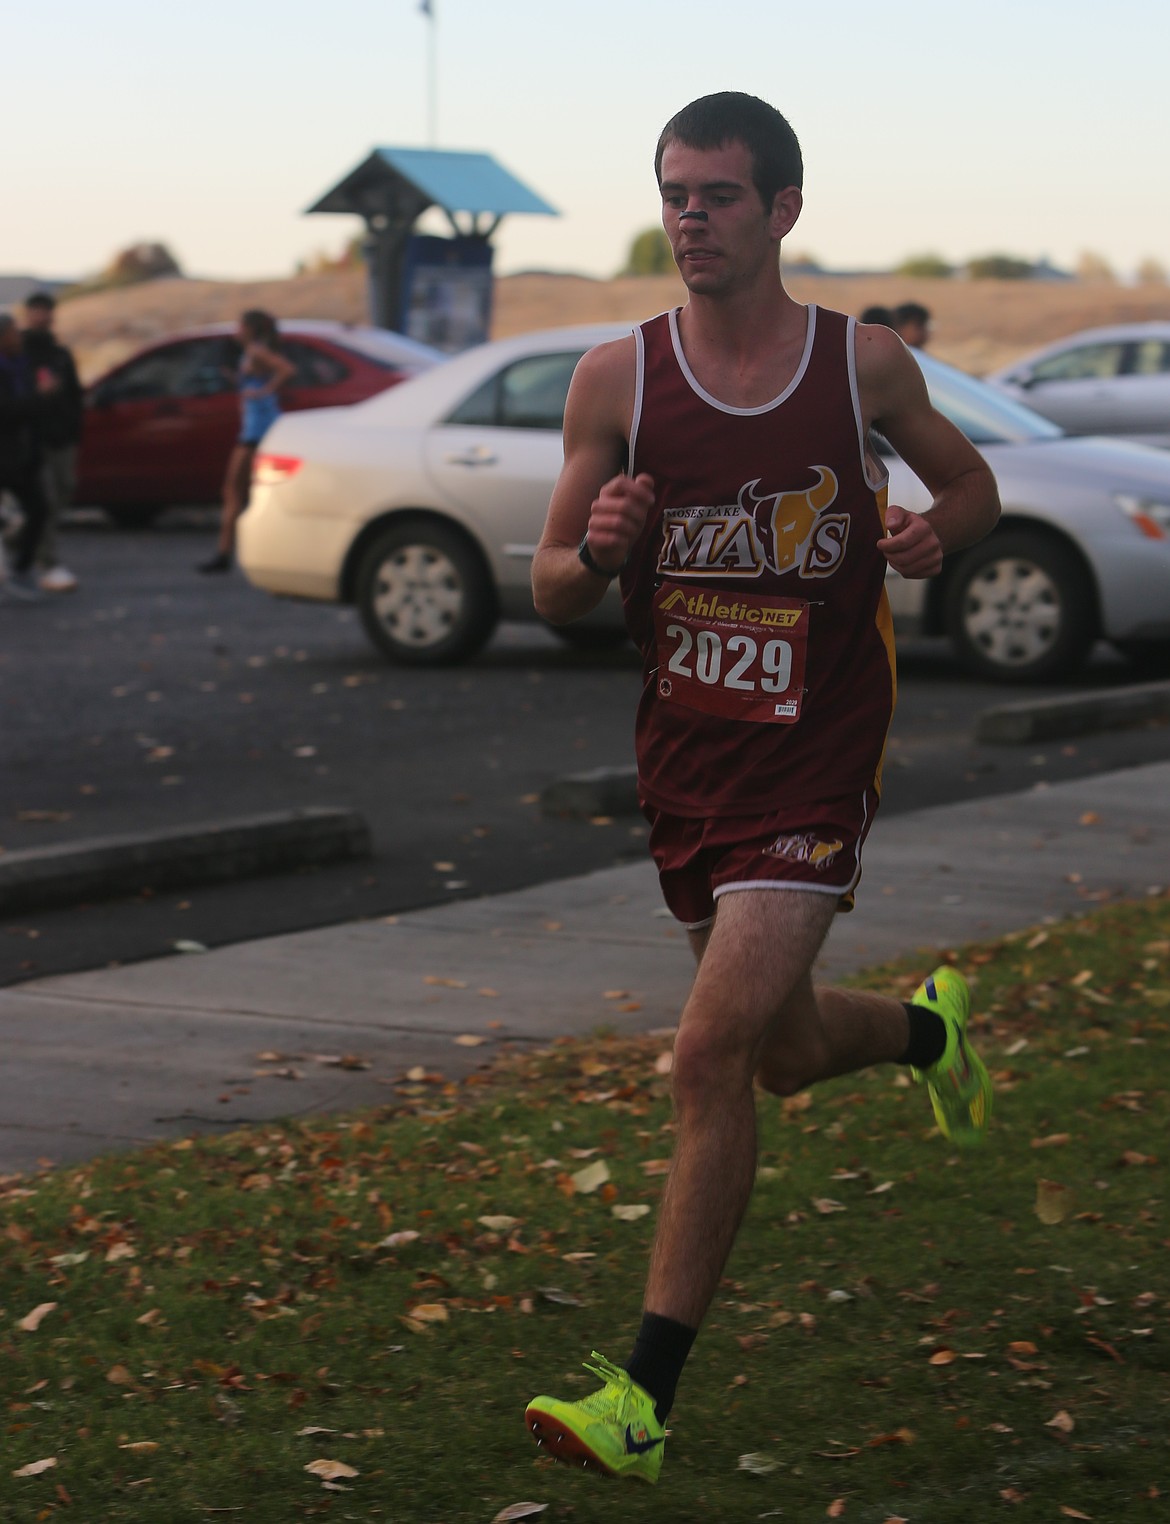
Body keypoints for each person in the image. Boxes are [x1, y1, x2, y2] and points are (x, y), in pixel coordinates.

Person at [524, 92, 1001, 1486]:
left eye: (717, 194)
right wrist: (596, 550)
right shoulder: (614, 379)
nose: (688, 216)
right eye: (672, 191)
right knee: (781, 1054)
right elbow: (552, 589)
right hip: (686, 757)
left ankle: (640, 1401)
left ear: (781, 209)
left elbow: (971, 488)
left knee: (704, 1055)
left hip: (816, 752)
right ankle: (927, 1038)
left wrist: (926, 532)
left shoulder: (861, 366)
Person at [198, 309, 293, 573]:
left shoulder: (256, 351)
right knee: (250, 492)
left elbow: (286, 370)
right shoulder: (253, 352)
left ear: (250, 329)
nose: (236, 331)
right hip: (260, 428)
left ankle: (224, 554)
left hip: (256, 431)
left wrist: (263, 391)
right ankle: (230, 552)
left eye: (240, 326)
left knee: (233, 491)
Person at [22, 291, 84, 593]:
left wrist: (74, 430)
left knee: (63, 491)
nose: (41, 315)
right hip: (33, 437)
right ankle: (45, 559)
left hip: (62, 438)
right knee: (42, 500)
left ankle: (32, 546)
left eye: (45, 310)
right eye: (36, 310)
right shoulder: (18, 353)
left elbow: (74, 394)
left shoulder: (60, 354)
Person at [0, 312, 58, 602]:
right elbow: (7, 412)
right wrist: (40, 397)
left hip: (21, 456)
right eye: (13, 332)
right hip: (6, 456)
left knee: (39, 509)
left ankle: (21, 570)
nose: (18, 337)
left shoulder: (22, 365)